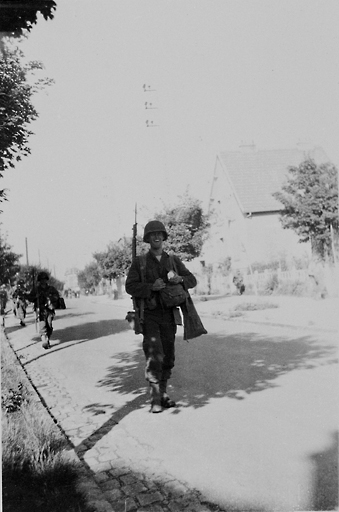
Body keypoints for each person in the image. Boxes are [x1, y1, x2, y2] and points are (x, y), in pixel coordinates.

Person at [125, 220, 197, 413]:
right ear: (148, 239)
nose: (156, 237)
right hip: (149, 316)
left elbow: (192, 280)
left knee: (169, 356)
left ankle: (163, 394)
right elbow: (129, 287)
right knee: (154, 354)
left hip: (169, 315)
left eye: (159, 234)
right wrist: (150, 288)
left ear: (164, 237)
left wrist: (179, 279)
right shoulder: (139, 262)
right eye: (152, 235)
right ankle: (155, 398)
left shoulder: (173, 260)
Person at [26, 271, 60, 349]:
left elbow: (57, 296)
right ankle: (44, 340)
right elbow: (30, 298)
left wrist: (50, 298)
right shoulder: (36, 289)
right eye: (41, 279)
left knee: (49, 325)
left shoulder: (51, 289)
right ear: (39, 280)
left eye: (44, 279)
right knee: (42, 325)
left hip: (49, 310)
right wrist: (35, 297)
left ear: (46, 280)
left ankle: (47, 339)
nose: (43, 281)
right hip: (40, 310)